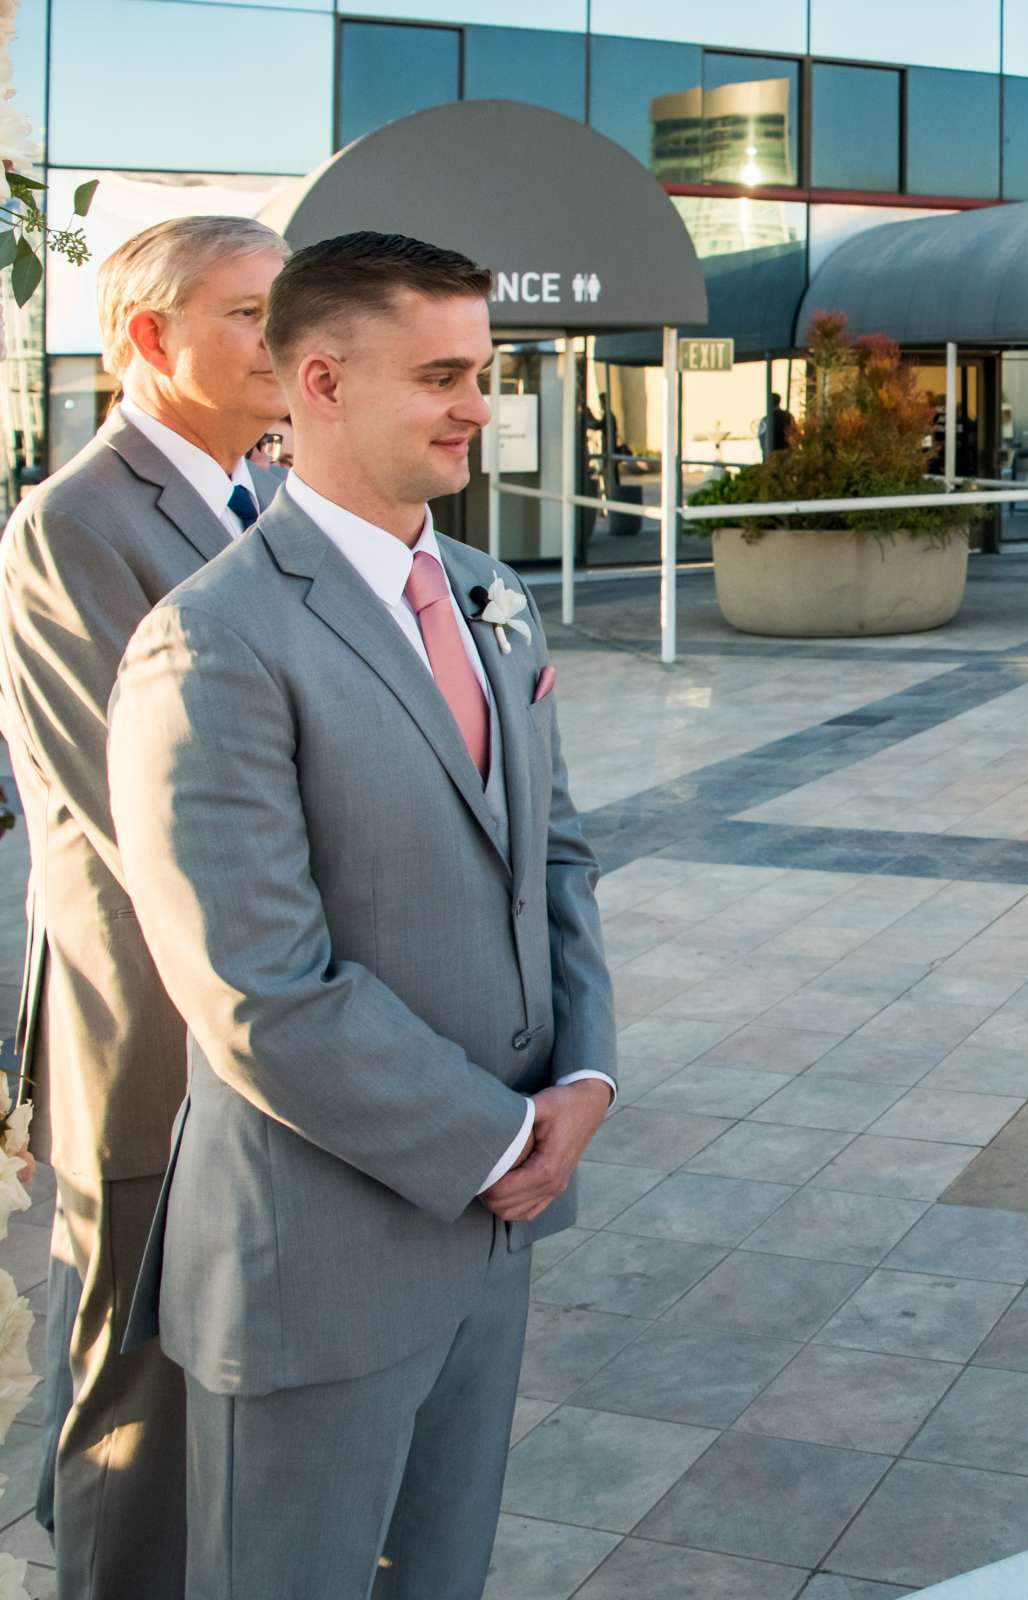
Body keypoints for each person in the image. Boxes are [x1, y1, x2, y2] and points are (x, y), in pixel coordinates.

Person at [106, 231, 618, 1598]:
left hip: (491, 1237)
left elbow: (556, 859)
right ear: (321, 382)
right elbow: (258, 990)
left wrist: (585, 1073)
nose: (477, 406)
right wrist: (505, 1133)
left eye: (486, 373)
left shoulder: (494, 596)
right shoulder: (212, 641)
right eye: (442, 375)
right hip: (314, 1267)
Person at [0, 214, 287, 1600]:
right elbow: (145, 820)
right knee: (130, 1389)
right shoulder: (76, 523)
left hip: (265, 1032)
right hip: (153, 1044)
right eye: (250, 313)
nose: (285, 342)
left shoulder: (272, 499)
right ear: (152, 338)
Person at [758, 390, 794, 457]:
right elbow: (793, 435)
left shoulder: (765, 420)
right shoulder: (788, 416)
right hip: (786, 456)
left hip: (771, 458)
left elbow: (762, 438)